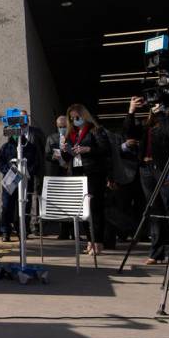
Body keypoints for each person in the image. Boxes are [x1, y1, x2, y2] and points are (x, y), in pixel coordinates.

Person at [125, 97, 169, 265]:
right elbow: (129, 132)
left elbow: (168, 134)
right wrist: (131, 110)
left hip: (163, 168)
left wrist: (162, 114)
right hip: (146, 167)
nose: (154, 107)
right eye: (152, 105)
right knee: (154, 210)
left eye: (157, 104)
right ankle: (156, 252)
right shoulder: (147, 125)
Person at [61, 104, 110, 255]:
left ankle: (98, 242)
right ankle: (89, 240)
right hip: (76, 173)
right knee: (82, 209)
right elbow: (67, 158)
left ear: (84, 116)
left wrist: (88, 149)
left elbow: (105, 149)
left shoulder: (96, 130)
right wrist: (64, 150)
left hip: (93, 173)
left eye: (77, 117)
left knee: (95, 208)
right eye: (72, 118)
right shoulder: (71, 134)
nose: (75, 120)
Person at [0, 126, 41, 242]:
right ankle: (5, 232)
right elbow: (1, 163)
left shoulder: (30, 147)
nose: (16, 134)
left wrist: (27, 172)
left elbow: (36, 163)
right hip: (10, 179)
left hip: (25, 180)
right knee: (7, 206)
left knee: (24, 206)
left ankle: (23, 231)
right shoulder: (5, 147)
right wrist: (9, 170)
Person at [44, 114, 75, 239]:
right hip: (57, 173)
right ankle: (63, 231)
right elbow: (46, 154)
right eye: (60, 127)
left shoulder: (73, 137)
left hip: (71, 173)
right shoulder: (51, 138)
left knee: (72, 203)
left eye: (64, 126)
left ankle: (74, 231)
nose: (62, 129)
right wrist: (53, 157)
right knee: (61, 203)